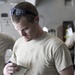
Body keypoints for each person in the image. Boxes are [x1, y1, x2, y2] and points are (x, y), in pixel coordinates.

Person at [3, 2, 74, 75]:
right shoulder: (18, 43)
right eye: (17, 30)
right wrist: (6, 70)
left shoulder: (56, 46)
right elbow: (12, 67)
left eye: (25, 29)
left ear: (36, 20)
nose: (22, 34)